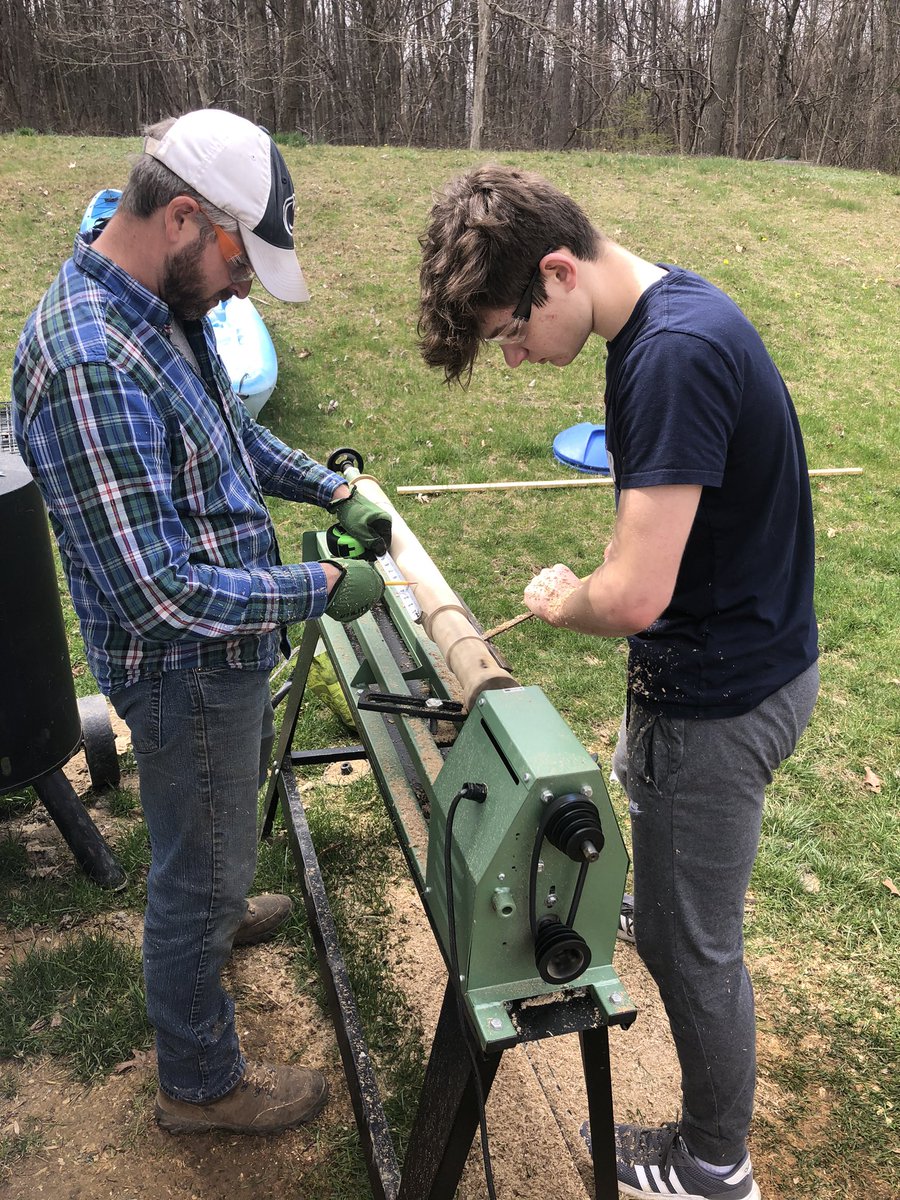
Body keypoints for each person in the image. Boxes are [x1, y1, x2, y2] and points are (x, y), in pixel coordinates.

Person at [417, 164, 818, 1200]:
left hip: (723, 700)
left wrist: (566, 601)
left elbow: (635, 596)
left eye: (509, 330)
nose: (514, 356)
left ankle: (714, 1162)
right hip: (715, 671)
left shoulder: (671, 356)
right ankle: (658, 896)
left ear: (558, 270)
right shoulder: (656, 320)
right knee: (659, 836)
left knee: (697, 955)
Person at [12, 109, 392, 1136]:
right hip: (182, 668)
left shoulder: (158, 307)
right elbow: (159, 593)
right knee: (195, 875)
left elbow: (228, 439)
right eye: (239, 264)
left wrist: (329, 488)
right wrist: (314, 587)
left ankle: (220, 910)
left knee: (211, 847)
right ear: (186, 217)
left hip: (219, 647)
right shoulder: (93, 360)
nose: (242, 288)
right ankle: (201, 1084)